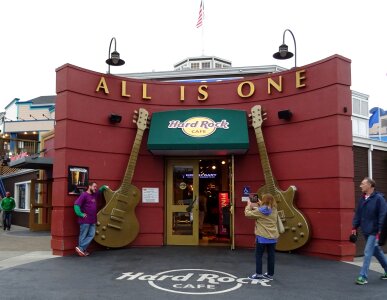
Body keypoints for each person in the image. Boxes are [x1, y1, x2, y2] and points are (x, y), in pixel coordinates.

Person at [352, 177, 387, 285]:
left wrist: (381, 231)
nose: (360, 186)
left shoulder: (379, 199)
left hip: (375, 231)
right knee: (377, 252)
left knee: (367, 252)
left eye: (363, 184)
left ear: (370, 186)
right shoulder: (362, 199)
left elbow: (383, 215)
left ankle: (363, 276)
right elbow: (358, 214)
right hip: (366, 230)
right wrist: (354, 227)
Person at [245, 193, 279, 280]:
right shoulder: (274, 209)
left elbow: (248, 214)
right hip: (273, 237)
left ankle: (258, 274)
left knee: (259, 256)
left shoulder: (260, 211)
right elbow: (265, 209)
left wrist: (249, 205)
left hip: (262, 237)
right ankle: (270, 274)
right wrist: (260, 203)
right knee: (271, 256)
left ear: (264, 201)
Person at [74, 182, 107, 257]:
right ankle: (82, 250)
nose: (95, 188)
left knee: (91, 235)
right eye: (94, 186)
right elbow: (76, 205)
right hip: (85, 221)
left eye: (96, 187)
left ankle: (81, 248)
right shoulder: (84, 195)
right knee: (83, 236)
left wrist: (103, 187)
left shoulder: (94, 194)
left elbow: (99, 191)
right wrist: (80, 214)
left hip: (93, 220)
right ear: (89, 186)